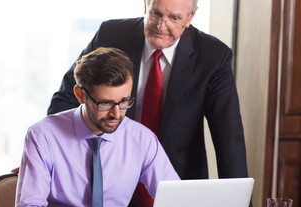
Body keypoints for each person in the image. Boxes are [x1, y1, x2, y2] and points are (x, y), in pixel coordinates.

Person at [48, 0, 249, 191]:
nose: (161, 26)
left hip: (177, 182)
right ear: (146, 4)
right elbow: (67, 97)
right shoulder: (111, 35)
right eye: (156, 14)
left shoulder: (213, 56)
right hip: (108, 178)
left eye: (175, 18)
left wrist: (238, 205)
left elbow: (229, 136)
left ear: (191, 17)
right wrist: (48, 158)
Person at [14, 47, 180, 207]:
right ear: (80, 95)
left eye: (124, 101)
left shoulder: (141, 139)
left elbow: (176, 204)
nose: (117, 114)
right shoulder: (42, 135)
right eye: (105, 103)